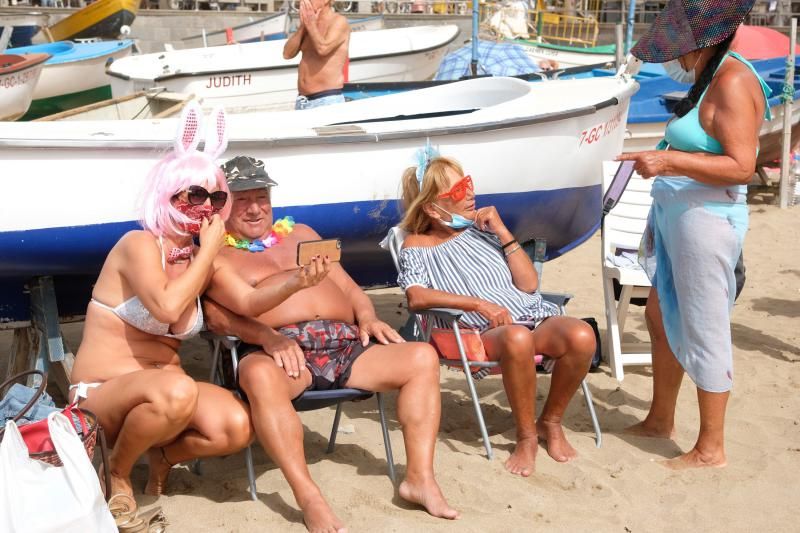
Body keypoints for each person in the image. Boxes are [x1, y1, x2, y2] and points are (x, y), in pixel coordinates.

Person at [67, 107, 323, 522]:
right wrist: (207, 253)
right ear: (167, 195)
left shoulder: (201, 258)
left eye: (216, 197)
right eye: (195, 195)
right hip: (104, 391)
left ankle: (163, 454)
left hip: (166, 394)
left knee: (238, 425)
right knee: (179, 392)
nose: (207, 206)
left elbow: (251, 302)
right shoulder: (139, 245)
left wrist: (301, 280)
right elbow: (167, 306)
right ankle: (118, 472)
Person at [202, 155, 459, 532]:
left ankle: (419, 479)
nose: (256, 208)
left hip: (344, 344)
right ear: (222, 204)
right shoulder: (217, 255)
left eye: (262, 196)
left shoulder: (302, 233)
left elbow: (351, 289)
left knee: (421, 355)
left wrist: (368, 316)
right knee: (257, 374)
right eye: (242, 199)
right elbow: (214, 314)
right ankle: (309, 497)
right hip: (283, 351)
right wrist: (265, 336)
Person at [617, 0, 770, 469]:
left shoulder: (732, 80)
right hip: (679, 213)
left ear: (697, 44)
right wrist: (657, 155)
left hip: (706, 219)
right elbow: (695, 142)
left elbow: (742, 167)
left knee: (705, 325)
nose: (672, 57)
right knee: (662, 315)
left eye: (676, 47)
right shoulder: (711, 75)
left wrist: (666, 162)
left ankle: (711, 448)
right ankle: (660, 417)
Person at [396, 150, 596, 477]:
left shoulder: (483, 232)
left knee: (582, 335)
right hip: (479, 331)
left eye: (468, 183)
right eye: (459, 190)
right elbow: (417, 296)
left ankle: (550, 422)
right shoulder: (417, 245)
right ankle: (526, 436)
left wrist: (503, 232)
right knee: (518, 337)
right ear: (433, 208)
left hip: (529, 315)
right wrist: (478, 304)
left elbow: (530, 286)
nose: (471, 194)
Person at [283, 0, 350, 110]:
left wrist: (311, 25)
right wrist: (303, 27)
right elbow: (287, 54)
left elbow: (323, 49)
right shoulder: (309, 24)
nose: (305, 1)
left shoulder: (338, 22)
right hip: (302, 100)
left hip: (326, 100)